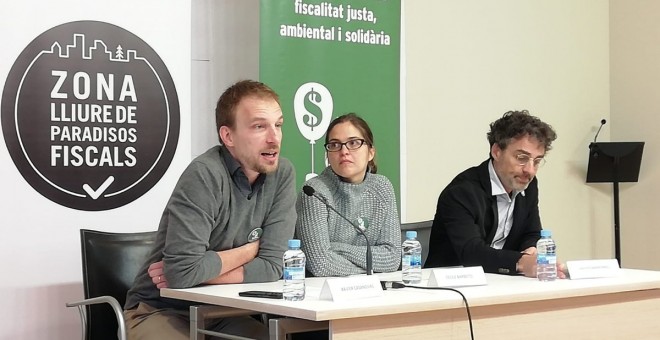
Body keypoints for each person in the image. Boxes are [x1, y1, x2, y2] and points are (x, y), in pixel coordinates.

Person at [123, 80, 297, 340]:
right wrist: (251, 250)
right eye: (259, 126)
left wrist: (195, 273)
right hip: (160, 310)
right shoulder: (204, 174)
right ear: (228, 136)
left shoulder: (282, 174)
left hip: (224, 313)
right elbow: (182, 273)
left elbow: (274, 266)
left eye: (278, 125)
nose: (274, 138)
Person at [424, 110, 565, 278]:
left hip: (500, 281)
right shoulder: (461, 192)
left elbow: (532, 232)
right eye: (521, 158)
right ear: (496, 151)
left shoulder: (528, 185)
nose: (530, 170)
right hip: (452, 285)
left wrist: (531, 251)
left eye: (537, 161)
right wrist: (520, 262)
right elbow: (471, 252)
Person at [295, 113, 401, 277]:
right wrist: (370, 270)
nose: (344, 151)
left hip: (371, 292)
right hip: (322, 293)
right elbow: (320, 264)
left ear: (371, 152)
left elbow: (392, 258)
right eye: (335, 145)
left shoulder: (382, 187)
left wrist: (335, 248)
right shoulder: (314, 192)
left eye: (353, 143)